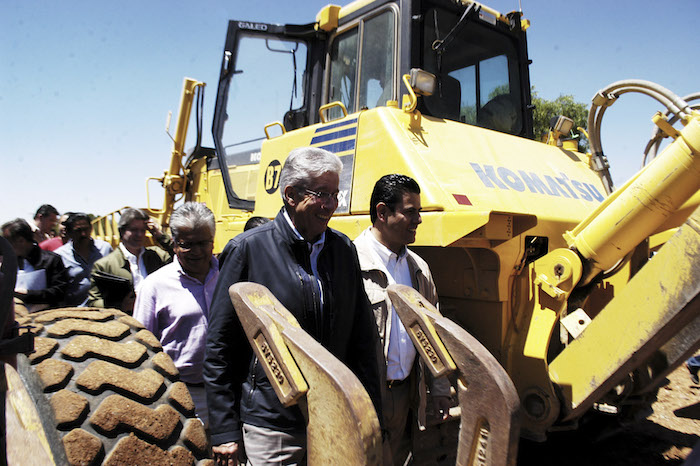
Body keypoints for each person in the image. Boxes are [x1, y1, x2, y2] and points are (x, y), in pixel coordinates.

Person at [205, 147, 382, 465]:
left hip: (336, 420)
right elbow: (220, 347)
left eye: (335, 194)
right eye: (322, 194)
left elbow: (363, 341)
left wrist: (372, 414)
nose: (331, 205)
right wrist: (224, 430)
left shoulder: (343, 250)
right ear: (290, 194)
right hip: (273, 428)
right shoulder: (248, 250)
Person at [353, 174, 451, 465]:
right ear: (382, 213)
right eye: (411, 212)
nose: (418, 220)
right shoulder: (349, 261)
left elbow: (435, 332)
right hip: (368, 397)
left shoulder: (419, 268)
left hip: (409, 395)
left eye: (418, 212)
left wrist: (441, 389)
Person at [133, 202, 218, 426]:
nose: (197, 251)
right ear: (174, 244)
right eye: (187, 244)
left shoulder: (230, 275)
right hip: (183, 394)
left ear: (213, 241)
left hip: (229, 391)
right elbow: (142, 347)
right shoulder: (154, 286)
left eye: (203, 243)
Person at [87, 208, 171, 312]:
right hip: (125, 323)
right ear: (121, 231)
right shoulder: (104, 265)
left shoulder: (158, 256)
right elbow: (93, 302)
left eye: (142, 230)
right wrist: (119, 305)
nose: (139, 235)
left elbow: (182, 256)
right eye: (134, 230)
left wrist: (159, 235)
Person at [1, 218, 69, 311]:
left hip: (46, 318)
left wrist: (28, 294)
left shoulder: (51, 260)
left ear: (21, 241)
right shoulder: (8, 262)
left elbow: (59, 292)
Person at [55, 213, 112, 306]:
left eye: (86, 229)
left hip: (104, 309)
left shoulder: (105, 249)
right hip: (75, 313)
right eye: (78, 231)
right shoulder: (59, 256)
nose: (83, 234)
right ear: (69, 233)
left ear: (91, 228)